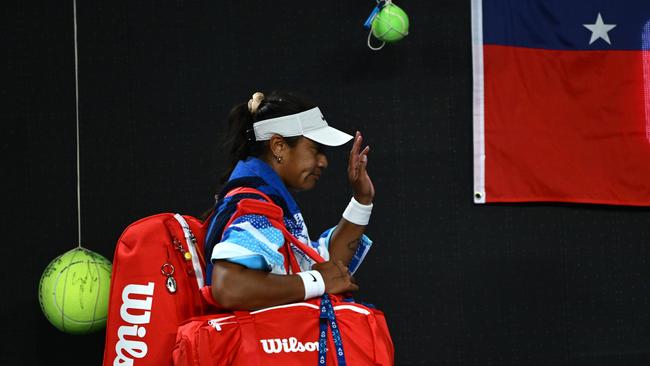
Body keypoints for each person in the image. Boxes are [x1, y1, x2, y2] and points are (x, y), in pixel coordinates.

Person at [204, 91, 375, 310]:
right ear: (279, 146)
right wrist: (317, 282)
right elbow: (228, 287)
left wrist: (362, 200)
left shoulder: (268, 200)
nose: (323, 162)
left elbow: (324, 265)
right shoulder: (255, 207)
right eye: (316, 149)